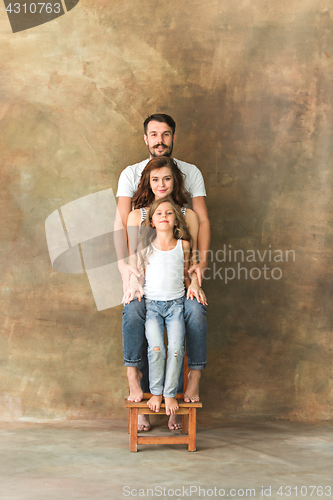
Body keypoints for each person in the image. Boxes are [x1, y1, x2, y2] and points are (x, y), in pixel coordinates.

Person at [115, 113, 210, 430]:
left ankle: (189, 384)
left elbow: (192, 251)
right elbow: (130, 244)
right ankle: (138, 387)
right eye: (153, 134)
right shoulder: (137, 211)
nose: (159, 139)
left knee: (195, 313)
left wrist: (197, 276)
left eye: (166, 133)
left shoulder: (186, 211)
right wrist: (128, 276)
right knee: (134, 312)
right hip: (147, 286)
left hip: (178, 287)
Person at [123, 196, 198, 416]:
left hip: (176, 307)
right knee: (156, 349)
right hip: (152, 307)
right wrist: (133, 286)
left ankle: (169, 394)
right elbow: (137, 273)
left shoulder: (183, 245)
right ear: (152, 222)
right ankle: (156, 392)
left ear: (176, 220)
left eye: (169, 213)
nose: (164, 216)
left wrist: (194, 286)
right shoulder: (144, 246)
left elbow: (187, 275)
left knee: (175, 350)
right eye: (159, 214)